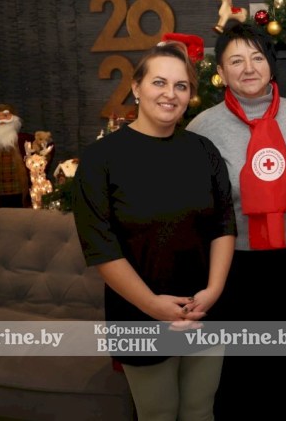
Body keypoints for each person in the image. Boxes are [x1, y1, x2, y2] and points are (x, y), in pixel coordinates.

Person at [73, 37, 237, 421]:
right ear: (136, 88)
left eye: (181, 86)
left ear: (190, 95)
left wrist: (212, 292)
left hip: (204, 308)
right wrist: (153, 306)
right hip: (139, 313)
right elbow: (100, 246)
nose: (170, 94)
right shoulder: (101, 159)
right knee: (158, 414)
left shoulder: (204, 151)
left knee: (200, 410)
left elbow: (224, 224)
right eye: (159, 82)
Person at [186, 21, 286, 419]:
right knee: (241, 374)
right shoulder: (203, 128)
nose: (248, 68)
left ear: (271, 65)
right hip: (236, 266)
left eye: (257, 58)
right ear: (221, 71)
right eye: (236, 60)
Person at [0, 104, 53, 215]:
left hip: (22, 195)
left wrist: (41, 144)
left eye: (5, 115)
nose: (1, 119)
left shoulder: (24, 139)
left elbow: (46, 151)